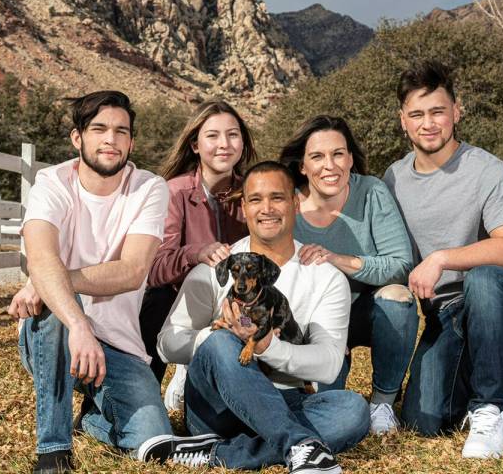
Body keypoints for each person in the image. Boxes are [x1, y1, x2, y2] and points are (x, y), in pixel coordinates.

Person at [140, 161, 369, 473]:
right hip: (216, 407)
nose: (267, 209)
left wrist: (264, 346)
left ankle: (216, 453)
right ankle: (300, 444)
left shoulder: (326, 277)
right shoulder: (214, 266)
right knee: (220, 342)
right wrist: (218, 337)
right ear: (244, 206)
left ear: (295, 203)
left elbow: (328, 364)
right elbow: (167, 344)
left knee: (352, 410)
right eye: (256, 199)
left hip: (286, 400)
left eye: (277, 198)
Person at [7, 91, 187, 473]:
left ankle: (92, 414)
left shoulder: (149, 188)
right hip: (54, 338)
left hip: (119, 343)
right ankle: (54, 450)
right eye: (99, 129)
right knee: (53, 305)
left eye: (121, 131)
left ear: (131, 142)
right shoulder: (51, 183)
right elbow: (40, 256)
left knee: (153, 438)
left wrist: (49, 279)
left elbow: (133, 270)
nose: (111, 139)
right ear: (78, 138)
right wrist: (77, 321)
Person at [383, 60, 503, 459]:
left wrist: (441, 258)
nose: (429, 123)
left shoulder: (486, 169)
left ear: (456, 111)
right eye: (417, 114)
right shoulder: (394, 179)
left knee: (484, 278)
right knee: (424, 421)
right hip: (445, 312)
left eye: (438, 111)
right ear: (403, 120)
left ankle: (490, 409)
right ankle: (471, 369)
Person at [279, 115, 417, 435]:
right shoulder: (286, 206)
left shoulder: (371, 192)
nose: (330, 165)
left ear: (351, 159)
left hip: (370, 310)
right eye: (317, 156)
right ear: (302, 166)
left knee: (398, 298)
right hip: (318, 321)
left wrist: (337, 259)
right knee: (325, 405)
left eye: (338, 154)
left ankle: (382, 403)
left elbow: (399, 264)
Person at [139, 100, 253, 406]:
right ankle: (143, 403)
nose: (224, 145)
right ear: (194, 145)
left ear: (243, 142)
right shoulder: (172, 192)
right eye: (212, 136)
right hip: (181, 304)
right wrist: (196, 253)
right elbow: (155, 268)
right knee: (157, 299)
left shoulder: (253, 193)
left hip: (235, 302)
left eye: (233, 135)